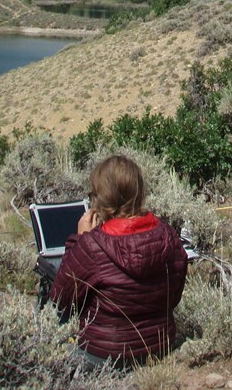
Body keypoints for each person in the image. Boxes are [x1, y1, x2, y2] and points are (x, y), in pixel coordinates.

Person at [50, 155, 188, 368]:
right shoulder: (168, 235)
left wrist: (78, 241)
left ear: (101, 199)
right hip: (161, 347)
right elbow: (175, 294)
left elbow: (60, 300)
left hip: (104, 355)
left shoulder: (92, 246)